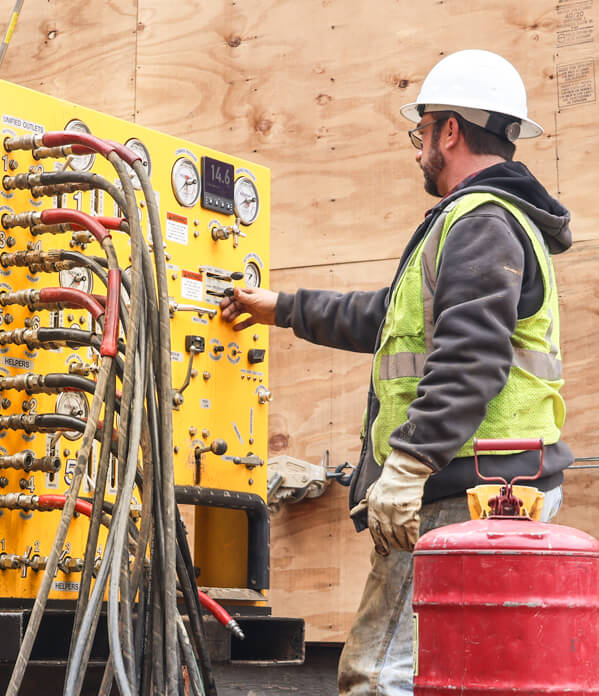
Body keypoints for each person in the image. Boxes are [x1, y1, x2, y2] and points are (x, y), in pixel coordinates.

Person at [220, 49, 572, 695]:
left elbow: (470, 358)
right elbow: (389, 318)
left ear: (449, 131)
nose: (416, 152)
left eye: (421, 133)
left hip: (458, 489)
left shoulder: (479, 224)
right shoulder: (490, 224)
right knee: (465, 675)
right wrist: (283, 308)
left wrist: (407, 468)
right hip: (493, 481)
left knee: (378, 673)